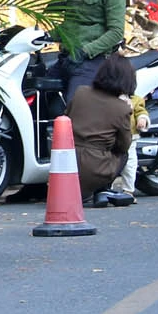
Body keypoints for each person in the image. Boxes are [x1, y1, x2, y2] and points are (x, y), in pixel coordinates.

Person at [68, 54, 135, 207]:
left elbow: (67, 117)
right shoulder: (121, 108)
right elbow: (124, 145)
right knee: (123, 154)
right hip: (95, 168)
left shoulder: (80, 92)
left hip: (67, 162)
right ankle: (102, 189)